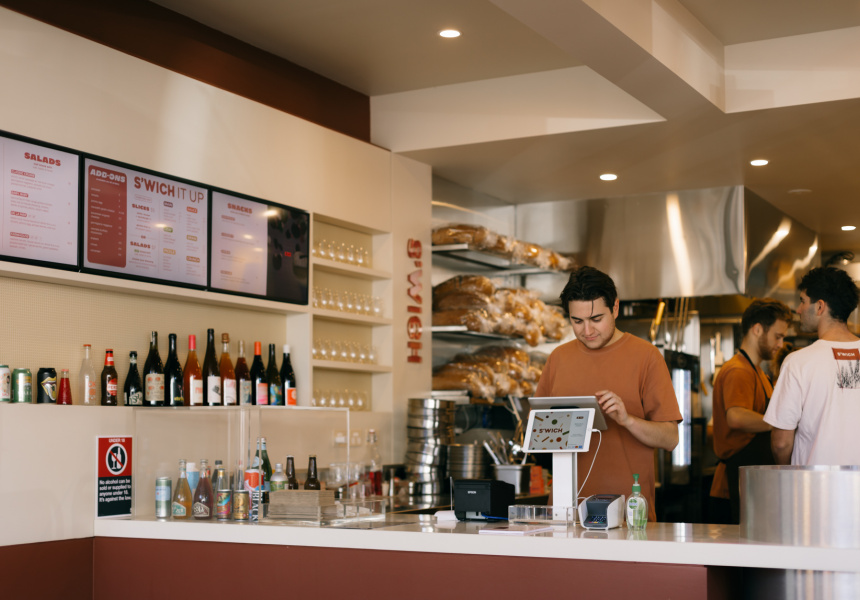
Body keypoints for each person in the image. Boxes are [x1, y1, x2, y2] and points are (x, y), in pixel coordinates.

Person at [534, 266, 681, 521]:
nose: (587, 331)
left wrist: (627, 420)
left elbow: (671, 438)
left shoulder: (647, 357)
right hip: (565, 515)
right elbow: (539, 436)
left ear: (615, 308)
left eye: (596, 319)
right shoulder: (558, 359)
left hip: (628, 517)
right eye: (577, 321)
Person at [764, 267, 860, 465]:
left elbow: (781, 443)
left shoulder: (797, 363)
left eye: (802, 301)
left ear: (820, 307)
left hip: (814, 483)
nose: (798, 310)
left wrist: (789, 475)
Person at [709, 298, 792, 523]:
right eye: (778, 336)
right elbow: (736, 416)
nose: (781, 344)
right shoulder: (738, 371)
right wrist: (781, 423)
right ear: (757, 329)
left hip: (749, 485)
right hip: (731, 488)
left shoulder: (757, 372)